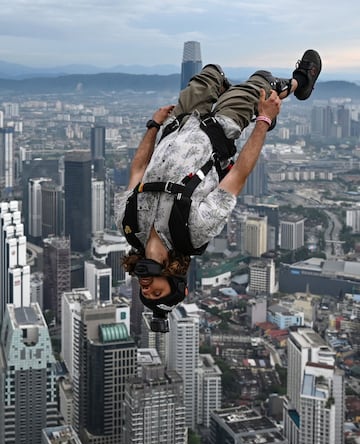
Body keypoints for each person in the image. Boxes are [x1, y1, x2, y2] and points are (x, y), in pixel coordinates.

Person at [117, 49, 322, 331]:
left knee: (210, 72)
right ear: (174, 280)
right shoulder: (192, 233)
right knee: (262, 82)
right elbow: (238, 175)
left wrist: (153, 126)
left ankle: (224, 88)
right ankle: (300, 83)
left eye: (146, 294)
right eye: (156, 293)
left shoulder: (129, 225)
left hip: (180, 123)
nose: (146, 289)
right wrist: (263, 120)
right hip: (220, 128)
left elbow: (137, 171)